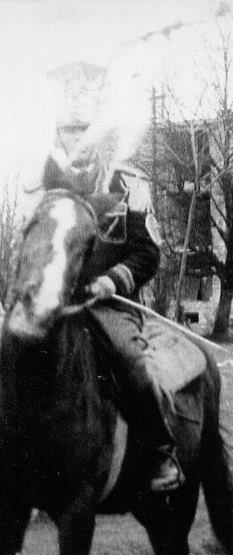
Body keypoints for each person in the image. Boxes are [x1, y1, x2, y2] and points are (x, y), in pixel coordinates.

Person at [48, 150, 183, 492]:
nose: (74, 138)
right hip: (57, 304)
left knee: (132, 360)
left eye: (82, 129)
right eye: (68, 129)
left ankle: (160, 454)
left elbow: (148, 253)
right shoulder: (50, 178)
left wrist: (112, 280)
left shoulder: (129, 182)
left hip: (110, 306)